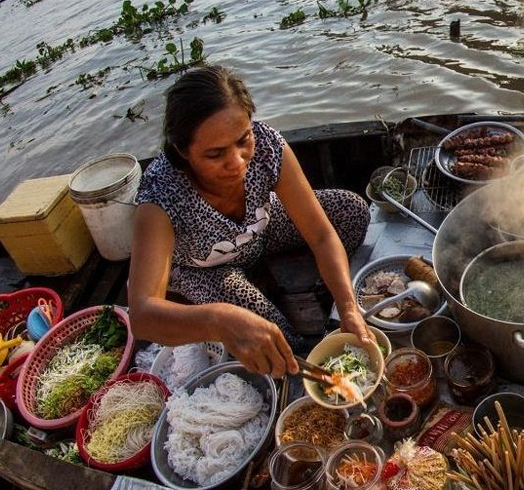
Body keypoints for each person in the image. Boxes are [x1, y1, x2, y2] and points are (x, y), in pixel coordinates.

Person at [128, 66, 374, 378]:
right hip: (205, 267)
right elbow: (142, 314)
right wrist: (220, 319)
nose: (237, 162)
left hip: (262, 229)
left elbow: (322, 236)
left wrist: (348, 306)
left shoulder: (268, 145)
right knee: (274, 337)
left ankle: (266, 271)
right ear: (182, 150)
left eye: (243, 139)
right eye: (215, 154)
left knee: (352, 211)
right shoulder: (160, 195)